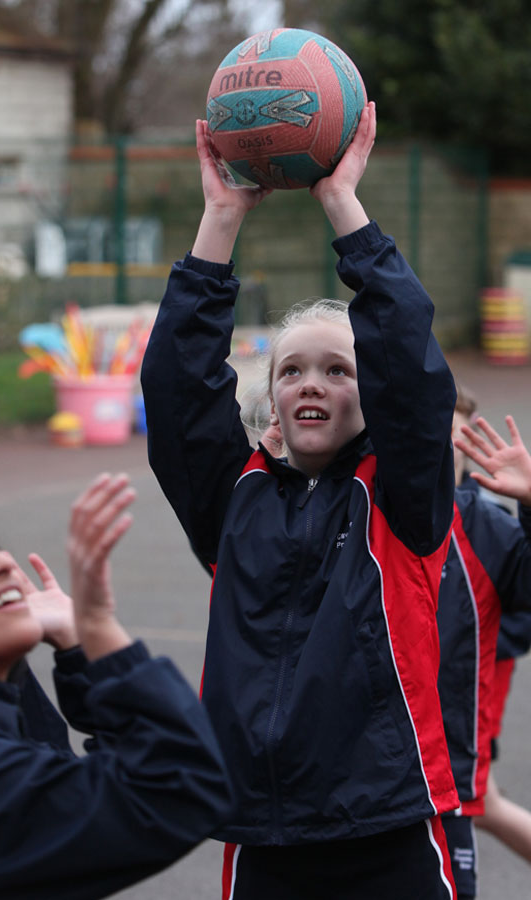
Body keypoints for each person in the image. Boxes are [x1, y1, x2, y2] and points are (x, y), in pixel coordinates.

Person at [141, 103, 460, 900]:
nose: (311, 382)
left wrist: (342, 203)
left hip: (389, 829)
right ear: (271, 404)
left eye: (338, 370)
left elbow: (412, 368)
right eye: (291, 371)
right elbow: (179, 390)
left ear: (368, 397)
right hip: (264, 830)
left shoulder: (399, 500)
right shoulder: (234, 500)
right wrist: (220, 219)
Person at [0, 469, 234, 900]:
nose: (0, 561)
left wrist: (76, 644)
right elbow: (181, 784)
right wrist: (96, 628)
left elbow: (66, 781)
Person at [441, 403, 531, 885]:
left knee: (478, 799)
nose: (446, 443)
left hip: (483, 667)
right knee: (480, 801)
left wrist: (489, 642)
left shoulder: (485, 520)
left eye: (456, 435)